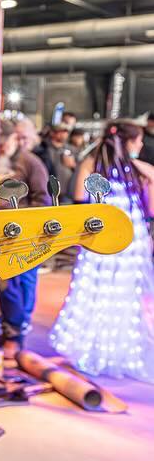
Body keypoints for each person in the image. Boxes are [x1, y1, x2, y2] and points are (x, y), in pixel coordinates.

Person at [51, 120, 154, 382]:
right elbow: (150, 207)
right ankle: (119, 351)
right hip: (131, 244)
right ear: (128, 141)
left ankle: (91, 349)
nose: (141, 144)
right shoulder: (140, 171)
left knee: (95, 296)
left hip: (99, 243)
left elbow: (78, 199)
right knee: (125, 301)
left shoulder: (91, 165)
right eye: (138, 139)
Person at [0, 119, 51, 358]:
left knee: (16, 286)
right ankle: (11, 330)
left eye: (2, 142)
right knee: (4, 285)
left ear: (13, 139)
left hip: (23, 235)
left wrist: (25, 227)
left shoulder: (30, 162)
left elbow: (43, 199)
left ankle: (15, 335)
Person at [44, 123, 77, 202]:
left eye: (66, 132)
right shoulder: (44, 148)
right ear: (52, 132)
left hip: (67, 192)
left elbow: (79, 169)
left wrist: (73, 165)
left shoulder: (72, 149)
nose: (64, 134)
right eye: (61, 131)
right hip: (49, 192)